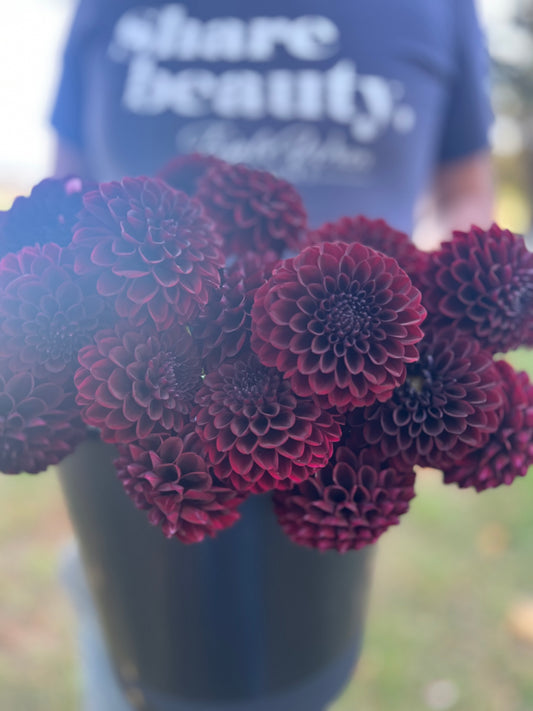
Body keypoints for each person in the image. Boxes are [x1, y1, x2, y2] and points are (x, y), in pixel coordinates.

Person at [50, 1, 495, 710]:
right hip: (130, 435)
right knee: (133, 648)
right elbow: (63, 194)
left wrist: (447, 328)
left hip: (346, 429)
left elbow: (464, 185)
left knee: (292, 666)